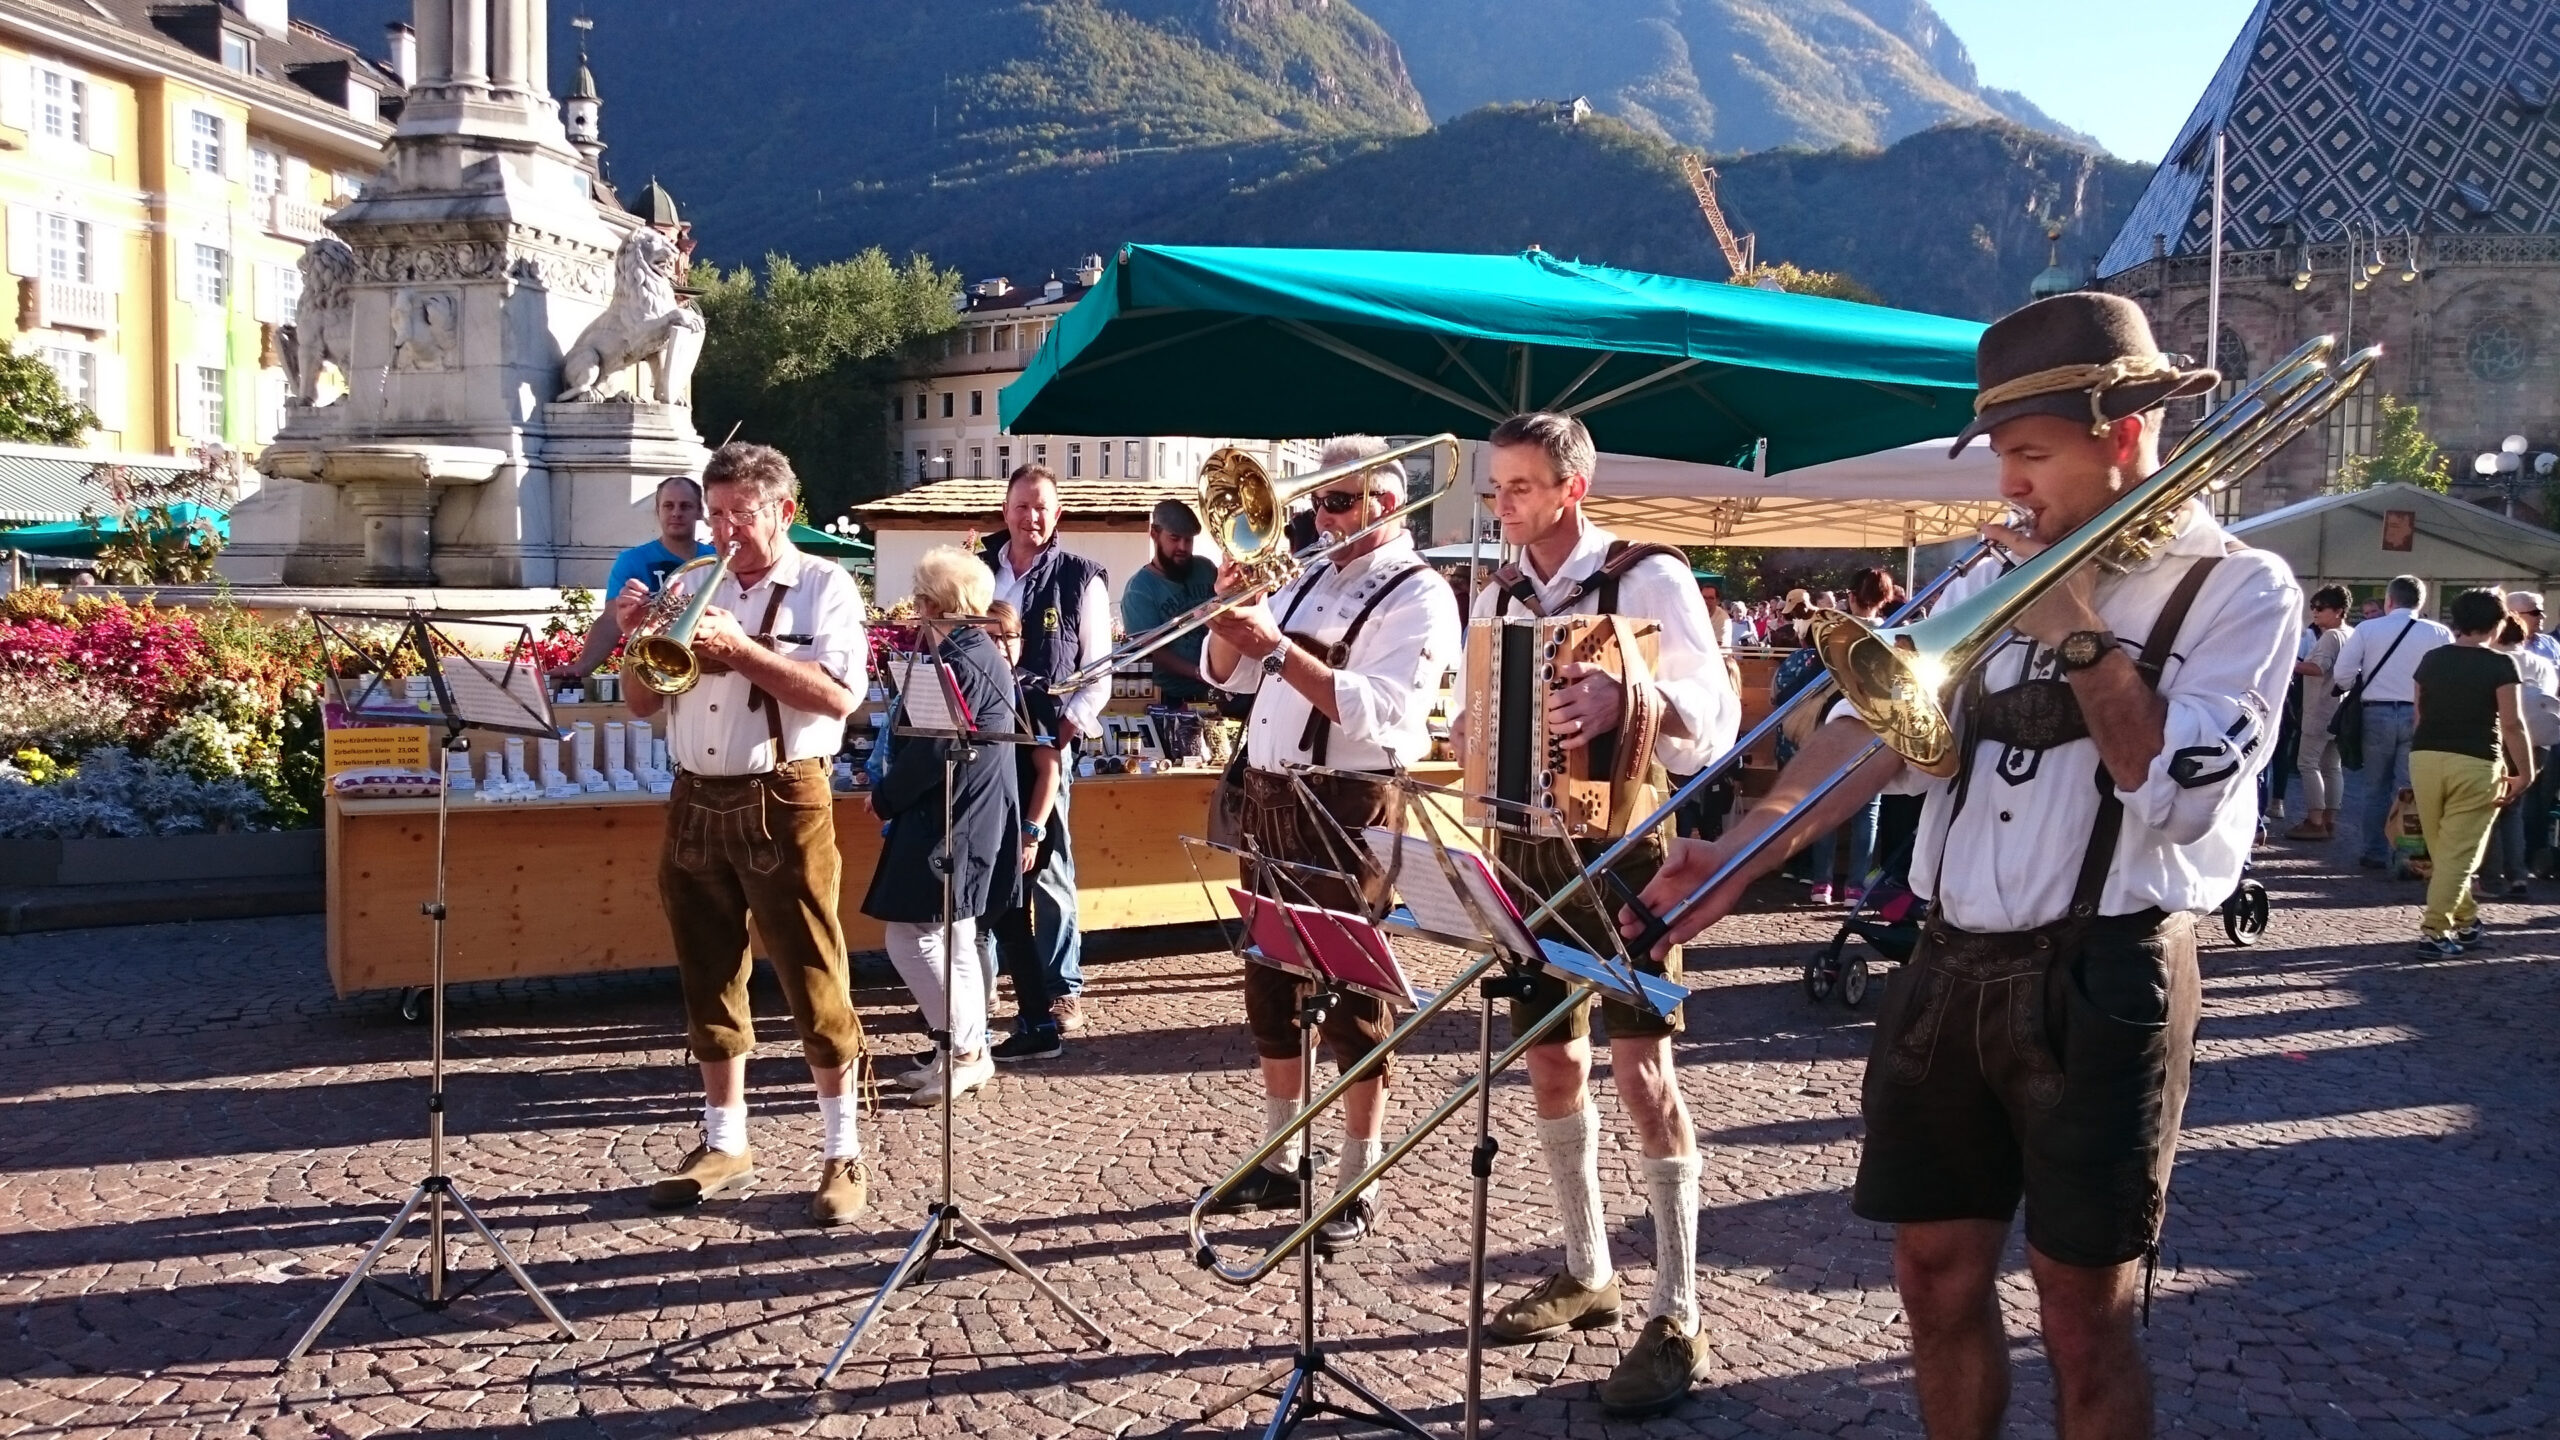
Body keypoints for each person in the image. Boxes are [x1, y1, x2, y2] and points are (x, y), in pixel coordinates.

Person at [1630, 292, 2288, 1438]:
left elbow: (2178, 797)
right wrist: (1733, 857)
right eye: (2002, 458)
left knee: (2084, 1313)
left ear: (2120, 436)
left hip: (2105, 972)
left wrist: (2079, 625)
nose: (2008, 488)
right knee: (1930, 1274)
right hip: (1948, 965)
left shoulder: (2237, 588)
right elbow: (1860, 735)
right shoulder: (1990, 584)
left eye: (2030, 456)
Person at [1458, 411, 1738, 1417]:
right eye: (1496, 489)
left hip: (1625, 854)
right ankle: (1586, 1270)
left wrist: (1636, 701)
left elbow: (1716, 713)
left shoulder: (1641, 576)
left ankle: (1680, 1308)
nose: (1504, 506)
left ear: (1572, 489)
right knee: (1549, 1059)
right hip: (1524, 850)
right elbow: (1476, 715)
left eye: (1521, 488)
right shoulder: (1494, 593)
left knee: (1643, 1072)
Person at [1198, 435, 1460, 1254]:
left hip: (1347, 802)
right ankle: (1281, 1153)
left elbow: (1381, 711)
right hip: (1269, 792)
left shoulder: (1421, 594)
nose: (1320, 516)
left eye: (1339, 501)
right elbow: (1226, 678)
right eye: (1317, 501)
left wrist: (1278, 646)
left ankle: (1360, 1170)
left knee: (1352, 995)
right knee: (1268, 984)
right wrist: (1228, 618)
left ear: (1388, 502)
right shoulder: (1307, 572)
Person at [618, 443, 871, 1225]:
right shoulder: (689, 582)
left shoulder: (825, 586)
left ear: (783, 512)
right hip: (694, 795)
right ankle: (724, 1139)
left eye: (741, 516)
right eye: (714, 514)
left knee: (812, 972)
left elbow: (838, 699)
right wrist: (633, 638)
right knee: (706, 971)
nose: (723, 532)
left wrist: (743, 650)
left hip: (784, 795)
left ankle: (841, 1150)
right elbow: (637, 702)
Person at [865, 548, 1021, 1107]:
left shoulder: (958, 655)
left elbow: (933, 747)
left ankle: (964, 1052)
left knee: (911, 937)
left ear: (933, 602)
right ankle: (964, 1049)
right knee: (952, 935)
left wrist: (885, 797)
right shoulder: (977, 649)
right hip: (967, 809)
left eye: (919, 596)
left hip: (952, 812)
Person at [977, 467, 1110, 1050]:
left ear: (1057, 517)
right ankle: (980, 988)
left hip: (1046, 740)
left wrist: (1067, 727)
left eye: (1042, 508)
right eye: (1021, 505)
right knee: (983, 863)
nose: (1031, 516)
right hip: (981, 740)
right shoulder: (977, 570)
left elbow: (1099, 669)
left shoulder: (1082, 577)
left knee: (1048, 866)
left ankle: (1061, 988)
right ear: (1004, 509)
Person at [2409, 588, 2535, 956]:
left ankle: (2466, 922)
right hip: (2477, 761)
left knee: (2442, 850)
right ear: (2497, 625)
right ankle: (2434, 931)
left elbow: (2420, 714)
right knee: (2461, 855)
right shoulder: (2500, 664)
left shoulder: (2430, 659)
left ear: (2456, 621)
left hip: (2426, 757)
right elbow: (2512, 725)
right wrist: (2525, 772)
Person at [975, 600, 1072, 1063]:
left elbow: (1048, 768)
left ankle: (1034, 1024)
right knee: (1008, 923)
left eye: (1007, 637)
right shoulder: (978, 686)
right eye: (989, 637)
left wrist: (1031, 832)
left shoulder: (1030, 693)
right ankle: (1033, 1024)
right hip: (991, 822)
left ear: (1021, 642)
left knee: (1004, 921)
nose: (999, 645)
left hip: (1025, 827)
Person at [2332, 575, 2452, 871]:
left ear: (2389, 600)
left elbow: (2342, 676)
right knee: (2411, 789)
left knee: (2375, 788)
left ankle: (2373, 851)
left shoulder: (2368, 629)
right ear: (2420, 601)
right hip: (2421, 714)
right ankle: (2408, 854)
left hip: (2376, 713)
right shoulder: (2439, 632)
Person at [555, 476, 711, 682]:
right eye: (668, 505)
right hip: (653, 670)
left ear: (700, 511)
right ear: (658, 510)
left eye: (685, 506)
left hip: (709, 669)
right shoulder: (632, 561)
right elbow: (612, 619)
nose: (676, 513)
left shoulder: (716, 559)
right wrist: (583, 665)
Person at [1803, 567, 1897, 904]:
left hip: (1834, 726)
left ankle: (1821, 883)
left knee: (1826, 804)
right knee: (1867, 811)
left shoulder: (1835, 633)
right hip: (1876, 730)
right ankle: (1855, 886)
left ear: (1851, 597)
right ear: (1884, 598)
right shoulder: (1895, 635)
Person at [2476, 614, 2556, 900]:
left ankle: (2491, 878)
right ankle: (2518, 875)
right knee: (2515, 810)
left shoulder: (2491, 661)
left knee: (2493, 809)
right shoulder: (2543, 663)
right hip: (2541, 742)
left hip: (2505, 739)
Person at [1119, 498, 1221, 705]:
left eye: (1189, 540)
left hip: (1218, 690)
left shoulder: (1206, 568)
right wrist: (1198, 672)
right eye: (1174, 538)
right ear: (1154, 534)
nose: (1183, 547)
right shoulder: (1139, 590)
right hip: (1171, 699)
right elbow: (1152, 650)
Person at [2287, 585, 2354, 841]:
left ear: (2339, 611)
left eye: (2320, 607)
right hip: (2339, 711)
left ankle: (2315, 820)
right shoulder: (2351, 634)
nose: (2314, 612)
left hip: (2320, 709)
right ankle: (2329, 820)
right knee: (2331, 767)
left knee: (2307, 763)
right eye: (2313, 606)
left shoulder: (2330, 637)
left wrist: (2288, 664)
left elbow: (2317, 668)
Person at [2504, 591, 2560, 873]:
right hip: (2507, 734)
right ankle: (2505, 859)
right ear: (2514, 615)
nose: (2542, 617)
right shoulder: (2498, 647)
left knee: (2542, 796)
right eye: (2535, 612)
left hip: (2542, 732)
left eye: (2541, 612)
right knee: (2511, 796)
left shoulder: (2551, 645)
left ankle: (2531, 855)